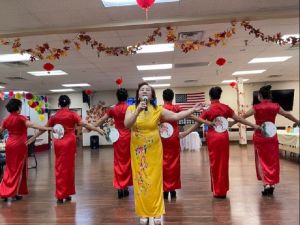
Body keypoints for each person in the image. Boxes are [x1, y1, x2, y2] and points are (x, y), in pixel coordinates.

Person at [124, 82, 202, 225]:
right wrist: (137, 111)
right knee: (141, 180)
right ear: (138, 94)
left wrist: (192, 110)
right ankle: (144, 213)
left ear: (152, 95)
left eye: (148, 90)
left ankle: (157, 211)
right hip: (138, 150)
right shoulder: (130, 108)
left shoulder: (158, 110)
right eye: (142, 90)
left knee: (154, 180)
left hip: (154, 149)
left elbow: (176, 116)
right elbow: (127, 124)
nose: (145, 91)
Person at [180, 86, 259, 199]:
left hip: (213, 137)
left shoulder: (208, 110)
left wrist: (185, 133)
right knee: (223, 163)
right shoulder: (225, 108)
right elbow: (239, 119)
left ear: (210, 96)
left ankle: (217, 190)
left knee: (215, 163)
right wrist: (253, 125)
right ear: (219, 95)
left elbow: (197, 124)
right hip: (223, 137)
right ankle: (223, 190)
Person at [28, 95, 105, 204]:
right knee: (69, 168)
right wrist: (96, 129)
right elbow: (85, 124)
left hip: (59, 143)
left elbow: (44, 128)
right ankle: (67, 193)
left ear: (59, 104)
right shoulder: (73, 114)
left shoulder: (54, 116)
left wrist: (34, 137)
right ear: (69, 104)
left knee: (59, 168)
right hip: (69, 142)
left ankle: (60, 195)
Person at [235, 85, 300, 196]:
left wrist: (233, 122)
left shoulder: (256, 107)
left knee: (261, 160)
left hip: (260, 136)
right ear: (270, 96)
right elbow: (287, 114)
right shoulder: (275, 106)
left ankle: (266, 185)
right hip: (272, 136)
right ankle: (272, 183)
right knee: (273, 160)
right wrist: (298, 121)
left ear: (260, 96)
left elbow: (242, 116)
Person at [0, 98, 52, 201]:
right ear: (18, 107)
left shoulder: (6, 119)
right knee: (18, 170)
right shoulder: (21, 118)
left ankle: (8, 191)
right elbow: (32, 125)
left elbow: (0, 130)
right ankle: (10, 192)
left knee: (10, 168)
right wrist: (47, 128)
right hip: (19, 145)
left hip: (9, 145)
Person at [94, 88, 132, 199]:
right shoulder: (130, 108)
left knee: (119, 162)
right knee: (128, 162)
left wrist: (92, 127)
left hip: (117, 138)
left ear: (117, 97)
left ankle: (120, 187)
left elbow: (101, 120)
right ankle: (126, 187)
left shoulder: (113, 109)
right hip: (129, 136)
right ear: (126, 97)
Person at [160, 88, 182, 200]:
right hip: (174, 137)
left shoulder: (160, 109)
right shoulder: (177, 108)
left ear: (163, 98)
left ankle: (165, 190)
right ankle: (173, 190)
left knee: (163, 162)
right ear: (172, 97)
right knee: (174, 163)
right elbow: (190, 115)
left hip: (163, 137)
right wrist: (206, 122)